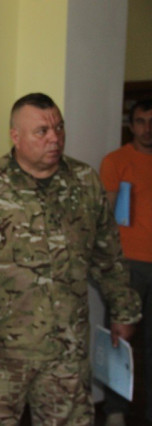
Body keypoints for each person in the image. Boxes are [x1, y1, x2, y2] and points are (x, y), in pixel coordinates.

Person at [0, 92, 141, 425]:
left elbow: (108, 254)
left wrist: (123, 309)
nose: (55, 138)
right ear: (16, 136)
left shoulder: (84, 181)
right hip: (0, 349)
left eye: (59, 128)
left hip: (66, 349)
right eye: (42, 131)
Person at [99, 99, 152, 426]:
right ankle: (115, 411)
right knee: (120, 340)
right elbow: (106, 218)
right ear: (131, 126)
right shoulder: (116, 161)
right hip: (128, 264)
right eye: (141, 121)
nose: (148, 128)